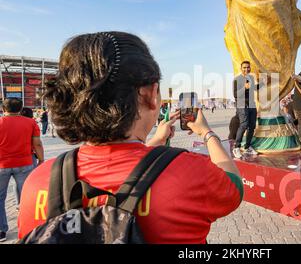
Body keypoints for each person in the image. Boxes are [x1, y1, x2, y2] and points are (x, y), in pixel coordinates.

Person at [18, 32, 242, 244]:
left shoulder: (39, 180)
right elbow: (234, 187)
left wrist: (153, 143)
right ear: (149, 95)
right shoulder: (190, 172)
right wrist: (207, 133)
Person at [0, 98, 44, 242]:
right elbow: (37, 143)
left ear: (3, 108)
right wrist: (41, 160)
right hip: (24, 163)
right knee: (26, 196)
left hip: (1, 165)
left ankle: (1, 230)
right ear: (20, 109)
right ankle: (26, 228)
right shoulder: (30, 122)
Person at [232, 61, 263, 158]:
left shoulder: (251, 78)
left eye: (248, 67)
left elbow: (254, 88)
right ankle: (236, 147)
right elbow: (235, 95)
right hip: (241, 104)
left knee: (252, 126)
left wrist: (263, 83)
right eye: (244, 67)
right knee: (244, 124)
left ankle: (247, 147)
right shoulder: (237, 79)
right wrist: (245, 88)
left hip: (251, 104)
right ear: (241, 68)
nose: (246, 69)